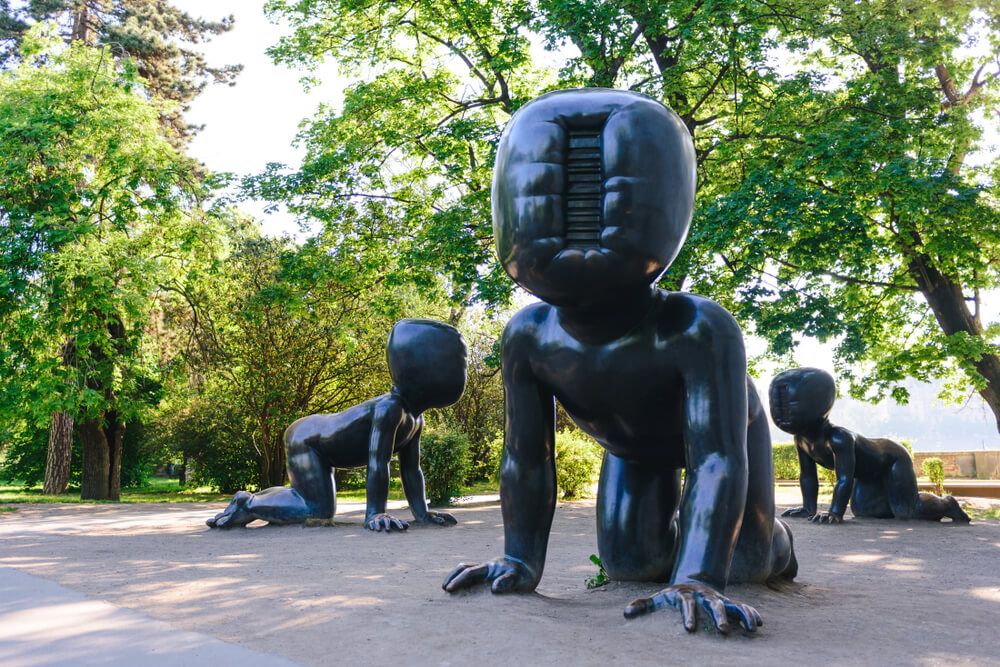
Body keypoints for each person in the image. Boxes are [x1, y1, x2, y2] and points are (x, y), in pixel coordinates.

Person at [443, 88, 796, 635]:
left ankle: (773, 540)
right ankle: (681, 551)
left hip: (727, 438)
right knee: (630, 564)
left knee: (747, 564)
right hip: (634, 450)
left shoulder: (698, 328)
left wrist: (698, 577)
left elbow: (714, 459)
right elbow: (526, 457)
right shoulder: (529, 337)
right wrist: (520, 559)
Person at [207, 318, 467, 532]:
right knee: (317, 511)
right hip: (309, 439)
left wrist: (422, 514)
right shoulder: (390, 409)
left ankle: (264, 498)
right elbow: (378, 464)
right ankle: (248, 503)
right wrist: (375, 513)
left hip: (315, 434)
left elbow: (411, 470)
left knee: (310, 501)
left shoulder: (414, 418)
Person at [770, 367, 970, 524]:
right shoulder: (801, 440)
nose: (781, 412)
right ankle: (896, 503)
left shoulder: (839, 438)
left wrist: (835, 512)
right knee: (865, 511)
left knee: (907, 511)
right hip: (866, 474)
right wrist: (808, 508)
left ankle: (946, 504)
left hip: (893, 459)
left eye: (787, 405)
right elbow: (808, 476)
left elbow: (844, 478)